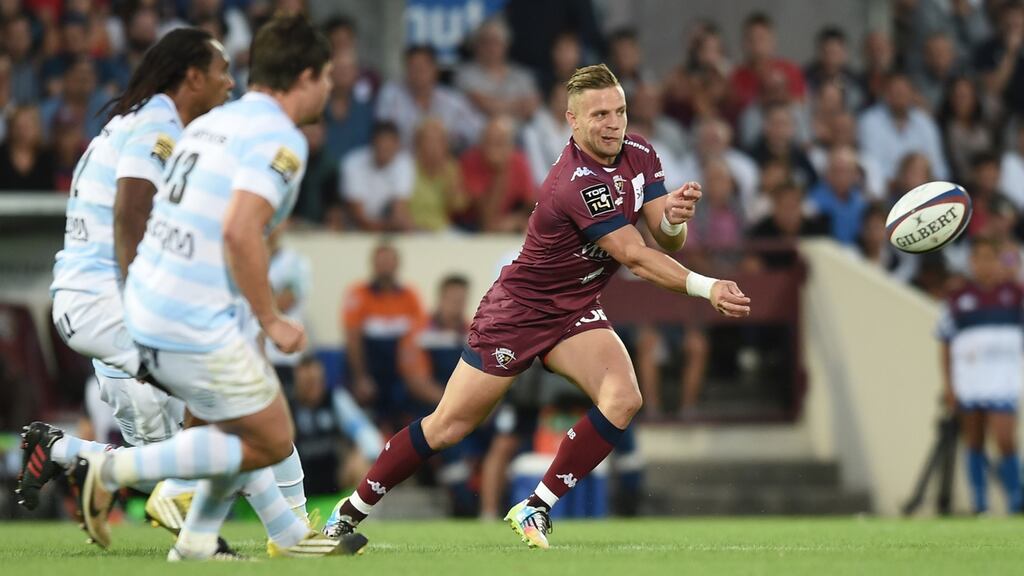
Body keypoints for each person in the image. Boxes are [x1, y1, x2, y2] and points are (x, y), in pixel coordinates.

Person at [322, 64, 750, 549]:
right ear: (572, 120)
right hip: (519, 312)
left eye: (621, 111)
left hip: (574, 309)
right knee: (448, 427)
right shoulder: (576, 182)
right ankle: (347, 513)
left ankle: (535, 507)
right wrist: (707, 286)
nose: (614, 123)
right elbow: (635, 257)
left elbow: (664, 240)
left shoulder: (640, 152)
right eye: (600, 115)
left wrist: (672, 218)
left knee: (623, 397)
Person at [67, 16, 367, 559]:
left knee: (234, 424)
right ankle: (108, 468)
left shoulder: (210, 123)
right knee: (269, 434)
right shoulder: (281, 139)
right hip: (186, 310)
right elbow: (238, 229)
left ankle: (201, 540)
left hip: (151, 299)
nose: (330, 86)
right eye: (326, 76)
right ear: (305, 76)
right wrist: (269, 316)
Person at [20, 28, 234, 520]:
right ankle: (287, 529)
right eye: (221, 71)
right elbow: (130, 214)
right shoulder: (158, 125)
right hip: (106, 302)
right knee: (227, 394)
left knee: (169, 465)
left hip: (95, 302)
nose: (230, 82)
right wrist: (151, 304)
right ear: (193, 76)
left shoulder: (142, 122)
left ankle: (57, 451)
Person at [937, 238, 1024, 514]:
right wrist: (949, 385)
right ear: (971, 262)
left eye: (990, 258)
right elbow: (945, 343)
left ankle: (1015, 497)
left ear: (998, 261)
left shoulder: (1015, 295)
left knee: (1004, 437)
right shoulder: (957, 298)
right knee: (973, 439)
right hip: (970, 380)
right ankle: (980, 502)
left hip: (1003, 379)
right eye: (978, 258)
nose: (984, 264)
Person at [342, 242, 427, 431]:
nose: (385, 266)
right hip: (371, 371)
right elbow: (353, 341)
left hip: (401, 373)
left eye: (389, 261)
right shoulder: (358, 294)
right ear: (373, 264)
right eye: (381, 261)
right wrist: (360, 378)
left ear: (397, 264)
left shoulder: (410, 295)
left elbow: (417, 339)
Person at [377, 45, 483, 151]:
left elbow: (478, 130)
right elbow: (383, 136)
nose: (418, 73)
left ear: (435, 69)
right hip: (403, 162)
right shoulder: (392, 95)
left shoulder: (451, 100)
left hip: (441, 162)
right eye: (412, 67)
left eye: (423, 67)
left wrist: (453, 140)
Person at [858, 72, 949, 186]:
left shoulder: (925, 122)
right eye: (895, 91)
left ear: (912, 94)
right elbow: (872, 168)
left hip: (924, 192)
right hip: (887, 193)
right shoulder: (869, 121)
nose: (900, 96)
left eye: (904, 91)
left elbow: (939, 168)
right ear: (885, 94)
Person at [457, 114, 536, 232]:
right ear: (481, 143)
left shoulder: (519, 160)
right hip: (470, 227)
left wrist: (517, 220)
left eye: (500, 142)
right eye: (489, 141)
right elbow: (486, 222)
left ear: (510, 145)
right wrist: (501, 171)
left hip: (507, 221)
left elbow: (531, 203)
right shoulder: (471, 161)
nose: (493, 148)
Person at [454, 17, 540, 122]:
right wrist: (517, 105)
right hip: (481, 134)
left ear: (506, 45)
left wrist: (497, 105)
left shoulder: (522, 75)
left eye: (496, 42)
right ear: (476, 46)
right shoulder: (466, 73)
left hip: (519, 134)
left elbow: (531, 106)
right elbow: (483, 104)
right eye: (486, 42)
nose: (491, 48)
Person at [340, 120, 414, 231]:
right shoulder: (352, 163)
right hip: (354, 229)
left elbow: (399, 211)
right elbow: (358, 216)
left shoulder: (404, 163)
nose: (384, 151)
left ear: (397, 145)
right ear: (372, 143)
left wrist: (395, 224)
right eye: (381, 147)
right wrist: (390, 226)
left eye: (388, 148)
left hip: (387, 229)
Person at [408, 117, 468, 232]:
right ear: (418, 143)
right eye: (429, 140)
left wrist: (448, 179)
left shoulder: (451, 168)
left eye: (439, 141)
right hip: (413, 230)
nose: (434, 146)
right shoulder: (408, 167)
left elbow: (459, 206)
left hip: (441, 230)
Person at [0, 105, 55, 192]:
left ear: (37, 128)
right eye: (18, 127)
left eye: (27, 127)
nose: (22, 132)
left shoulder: (47, 157)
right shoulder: (2, 155)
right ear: (10, 129)